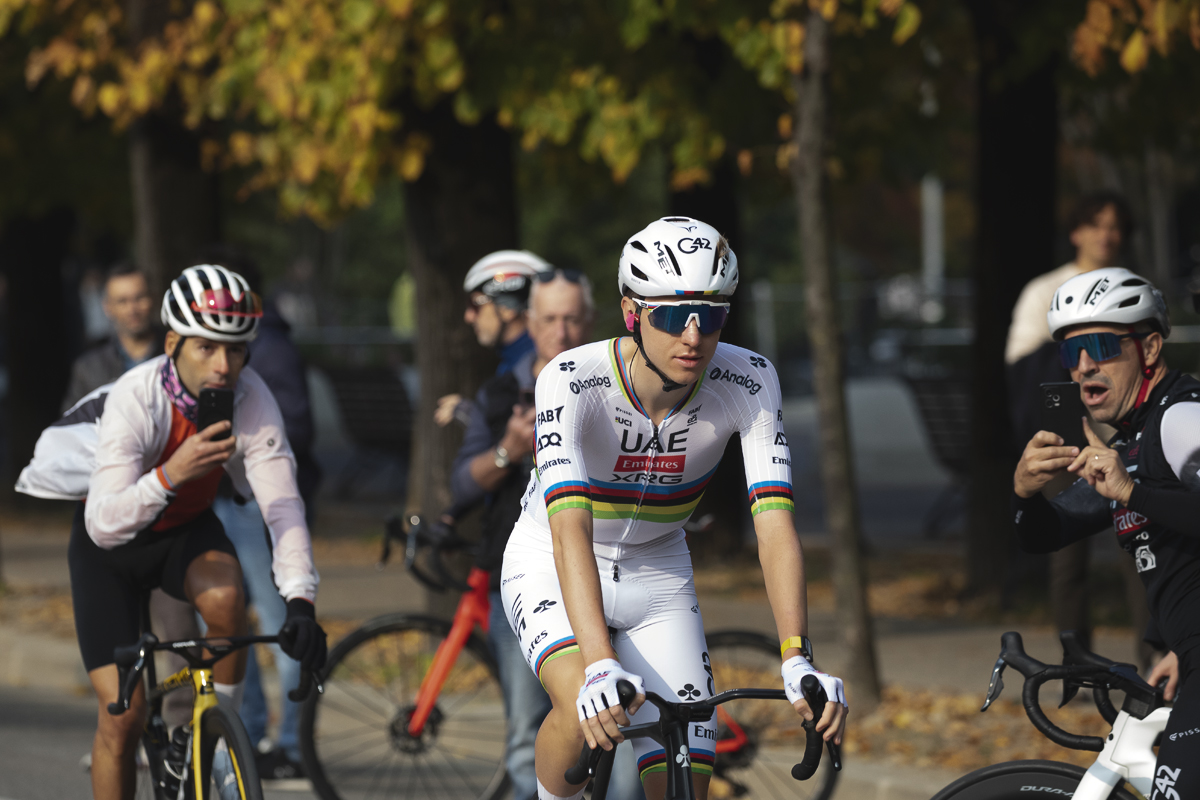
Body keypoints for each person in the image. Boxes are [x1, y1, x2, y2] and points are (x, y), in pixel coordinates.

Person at [500, 217, 847, 800]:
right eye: (671, 315)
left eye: (711, 315)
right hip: (551, 560)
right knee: (580, 704)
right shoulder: (571, 379)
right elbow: (570, 530)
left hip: (658, 571)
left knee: (688, 751)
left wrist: (797, 658)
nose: (693, 336)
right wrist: (598, 663)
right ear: (631, 313)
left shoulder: (751, 380)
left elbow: (775, 527)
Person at [71, 264, 327, 800]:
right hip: (111, 548)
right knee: (124, 716)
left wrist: (300, 601)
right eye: (207, 348)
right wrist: (172, 473)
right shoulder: (136, 396)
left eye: (236, 351)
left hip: (182, 531)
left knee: (228, 597)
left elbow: (282, 507)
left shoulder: (251, 397)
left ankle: (211, 739)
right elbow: (104, 522)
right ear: (172, 343)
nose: (224, 366)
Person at [1012, 267, 1200, 795]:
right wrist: (1025, 491)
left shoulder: (1179, 419)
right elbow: (1046, 534)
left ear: (1150, 349)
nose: (1085, 366)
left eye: (1100, 345)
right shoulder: (1130, 448)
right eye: (1072, 354)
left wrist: (1132, 494)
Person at [450, 266, 615, 800]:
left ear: (589, 321)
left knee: (623, 732)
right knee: (528, 729)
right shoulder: (503, 392)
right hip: (525, 571)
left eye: (572, 319)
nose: (561, 332)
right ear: (530, 321)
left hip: (609, 570)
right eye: (549, 319)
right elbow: (460, 484)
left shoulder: (617, 387)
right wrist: (509, 450)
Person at [1005, 191, 1148, 663]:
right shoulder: (1045, 289)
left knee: (1142, 547)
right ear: (1076, 232)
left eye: (1115, 226)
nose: (1106, 235)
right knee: (1068, 558)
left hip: (1125, 437)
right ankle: (1077, 662)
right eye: (1096, 224)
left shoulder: (1133, 286)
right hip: (1069, 439)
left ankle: (1154, 655)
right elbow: (1022, 362)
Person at [200, 246, 321, 781]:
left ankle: (292, 742)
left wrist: (239, 448)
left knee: (278, 623)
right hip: (220, 503)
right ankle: (242, 732)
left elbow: (292, 427)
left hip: (255, 502)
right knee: (230, 621)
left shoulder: (266, 347)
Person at [435, 250, 548, 428]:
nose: (469, 317)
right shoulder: (509, 365)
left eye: (475, 304)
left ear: (507, 309)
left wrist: (475, 416)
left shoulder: (541, 364)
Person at [62, 262, 164, 411]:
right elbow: (71, 427)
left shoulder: (178, 354)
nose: (132, 309)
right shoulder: (88, 369)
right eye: (122, 301)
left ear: (153, 299)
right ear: (107, 307)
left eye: (139, 298)